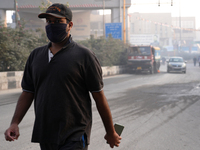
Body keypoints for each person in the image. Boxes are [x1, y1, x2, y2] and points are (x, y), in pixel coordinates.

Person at [4, 3, 121, 150]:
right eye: (49, 22)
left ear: (70, 25)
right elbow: (28, 92)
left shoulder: (84, 56)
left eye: (58, 22)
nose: (52, 25)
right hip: (46, 134)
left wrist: (110, 132)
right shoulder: (36, 56)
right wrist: (15, 123)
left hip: (75, 135)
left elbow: (98, 96)